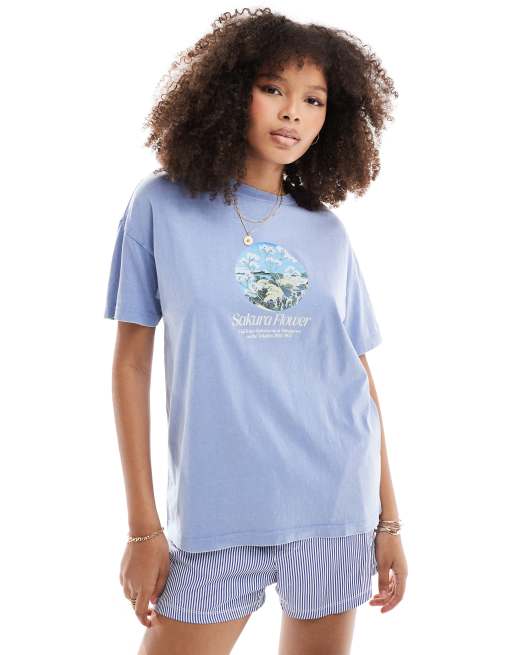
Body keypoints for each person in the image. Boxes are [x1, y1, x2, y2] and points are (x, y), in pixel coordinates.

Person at [104, 8, 408, 654]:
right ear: (228, 91)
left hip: (333, 506)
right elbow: (130, 364)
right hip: (216, 518)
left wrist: (389, 520)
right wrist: (142, 528)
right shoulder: (160, 205)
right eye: (273, 89)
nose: (292, 112)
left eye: (313, 100)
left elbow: (357, 376)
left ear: (332, 118)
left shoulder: (327, 233)